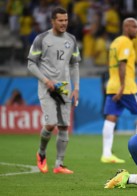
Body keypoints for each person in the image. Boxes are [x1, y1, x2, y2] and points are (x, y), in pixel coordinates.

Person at [27, 7, 81, 174]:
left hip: (64, 87)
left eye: (66, 20)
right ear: (52, 21)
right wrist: (45, 80)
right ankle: (41, 153)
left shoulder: (71, 40)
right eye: (60, 20)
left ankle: (59, 164)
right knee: (51, 124)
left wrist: (77, 87)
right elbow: (31, 64)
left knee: (64, 126)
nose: (64, 23)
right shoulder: (41, 39)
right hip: (46, 86)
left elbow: (74, 64)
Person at [101, 18, 137, 164]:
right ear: (127, 27)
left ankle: (106, 154)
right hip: (125, 88)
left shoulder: (115, 42)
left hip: (112, 85)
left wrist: (134, 84)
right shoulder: (126, 42)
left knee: (111, 118)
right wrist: (123, 86)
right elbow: (122, 65)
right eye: (135, 27)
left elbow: (114, 65)